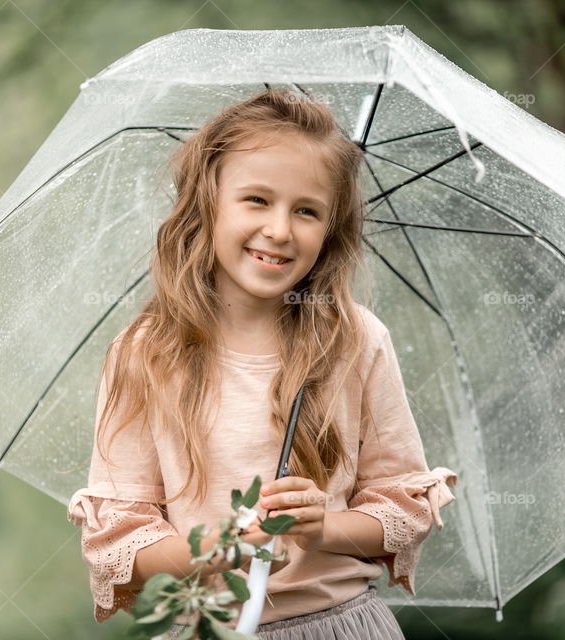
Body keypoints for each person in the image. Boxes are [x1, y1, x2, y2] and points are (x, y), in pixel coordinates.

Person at [65, 88, 459, 639]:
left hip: (339, 625)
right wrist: (220, 547)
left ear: (330, 229)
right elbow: (121, 539)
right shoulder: (145, 352)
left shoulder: (354, 340)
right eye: (256, 200)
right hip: (209, 627)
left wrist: (327, 527)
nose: (279, 230)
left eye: (306, 211)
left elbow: (401, 506)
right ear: (207, 204)